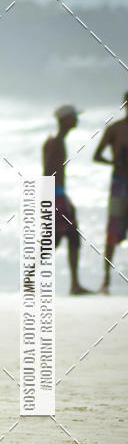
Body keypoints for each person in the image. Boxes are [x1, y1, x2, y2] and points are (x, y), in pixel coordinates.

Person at [42, 105, 90, 295]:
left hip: (58, 195)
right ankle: (73, 285)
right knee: (61, 239)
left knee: (65, 238)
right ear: (64, 120)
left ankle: (74, 284)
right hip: (55, 195)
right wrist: (53, 200)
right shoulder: (55, 142)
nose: (76, 120)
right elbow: (47, 171)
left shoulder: (58, 141)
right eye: (73, 117)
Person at [93, 92, 128, 293]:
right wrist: (115, 162)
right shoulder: (115, 129)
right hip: (119, 182)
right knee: (113, 232)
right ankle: (106, 280)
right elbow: (97, 155)